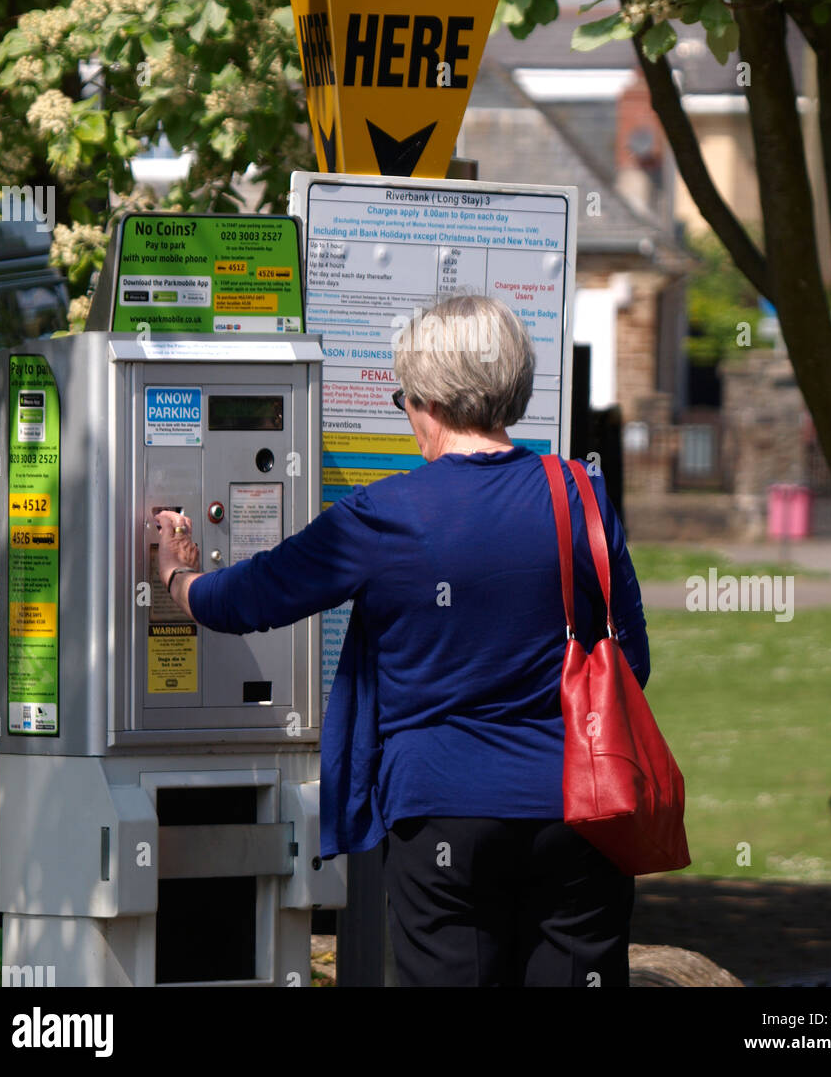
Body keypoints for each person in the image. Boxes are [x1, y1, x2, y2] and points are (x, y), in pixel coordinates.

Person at [156, 293, 649, 987]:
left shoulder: (385, 514)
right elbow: (634, 662)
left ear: (429, 402)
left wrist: (177, 574)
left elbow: (242, 600)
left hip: (443, 813)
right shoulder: (580, 497)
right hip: (579, 809)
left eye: (405, 398)